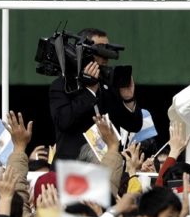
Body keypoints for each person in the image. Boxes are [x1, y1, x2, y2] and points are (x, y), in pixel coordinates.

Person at [49, 28, 142, 160]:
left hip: (106, 166)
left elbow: (134, 125)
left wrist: (128, 99)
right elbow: (64, 121)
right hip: (73, 167)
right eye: (100, 51)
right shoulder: (63, 85)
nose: (105, 57)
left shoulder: (109, 86)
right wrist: (90, 92)